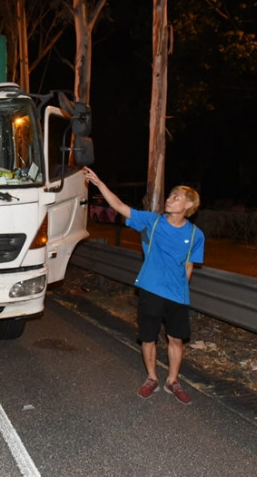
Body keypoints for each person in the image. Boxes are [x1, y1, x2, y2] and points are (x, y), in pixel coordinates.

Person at [83, 167, 205, 405]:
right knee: (148, 337)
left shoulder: (196, 234)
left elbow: (189, 264)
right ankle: (151, 378)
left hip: (177, 294)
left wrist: (181, 289)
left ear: (189, 205)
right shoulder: (153, 222)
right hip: (150, 289)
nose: (169, 199)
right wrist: (99, 183)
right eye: (170, 196)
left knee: (176, 339)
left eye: (176, 197)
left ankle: (172, 380)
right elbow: (119, 207)